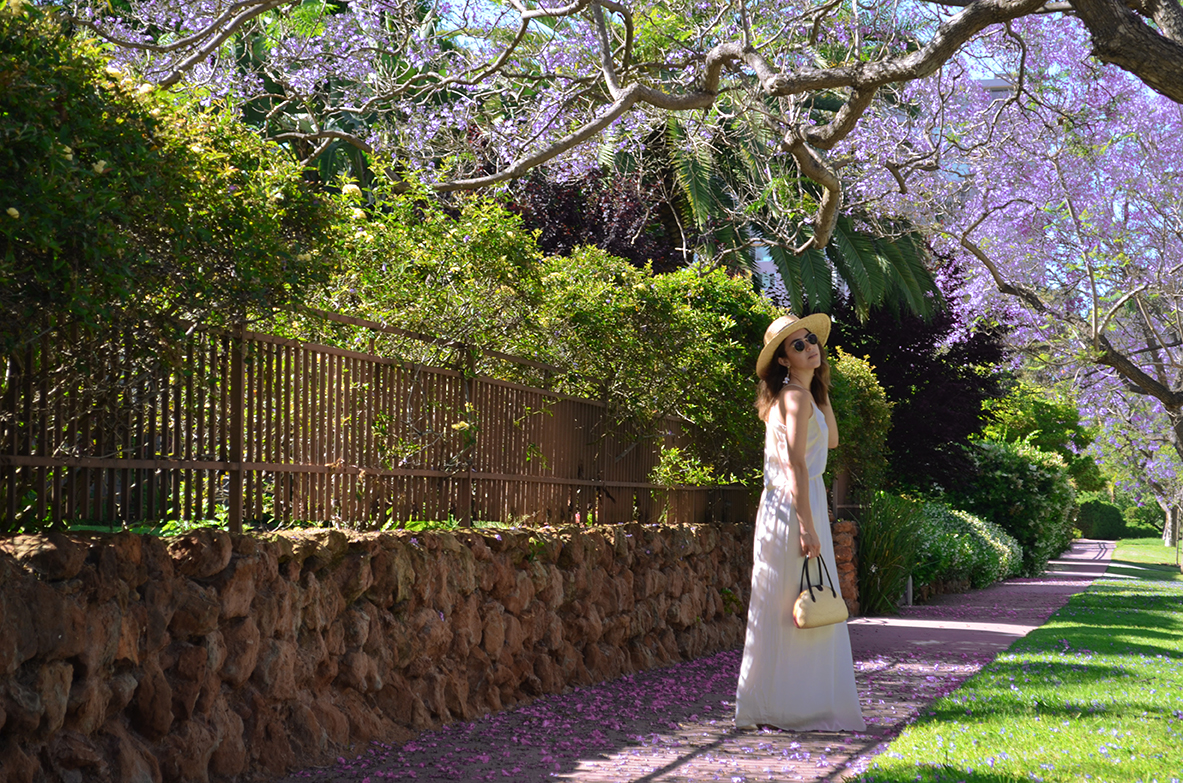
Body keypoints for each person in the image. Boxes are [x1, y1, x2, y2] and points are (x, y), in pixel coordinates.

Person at [734, 312, 865, 732]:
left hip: (791, 504)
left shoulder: (802, 396)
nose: (810, 346)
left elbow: (832, 440)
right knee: (795, 600)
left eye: (811, 339)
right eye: (798, 345)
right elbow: (793, 463)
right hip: (794, 507)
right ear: (784, 361)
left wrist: (821, 385)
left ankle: (782, 703)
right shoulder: (792, 398)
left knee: (791, 602)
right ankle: (795, 706)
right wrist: (807, 524)